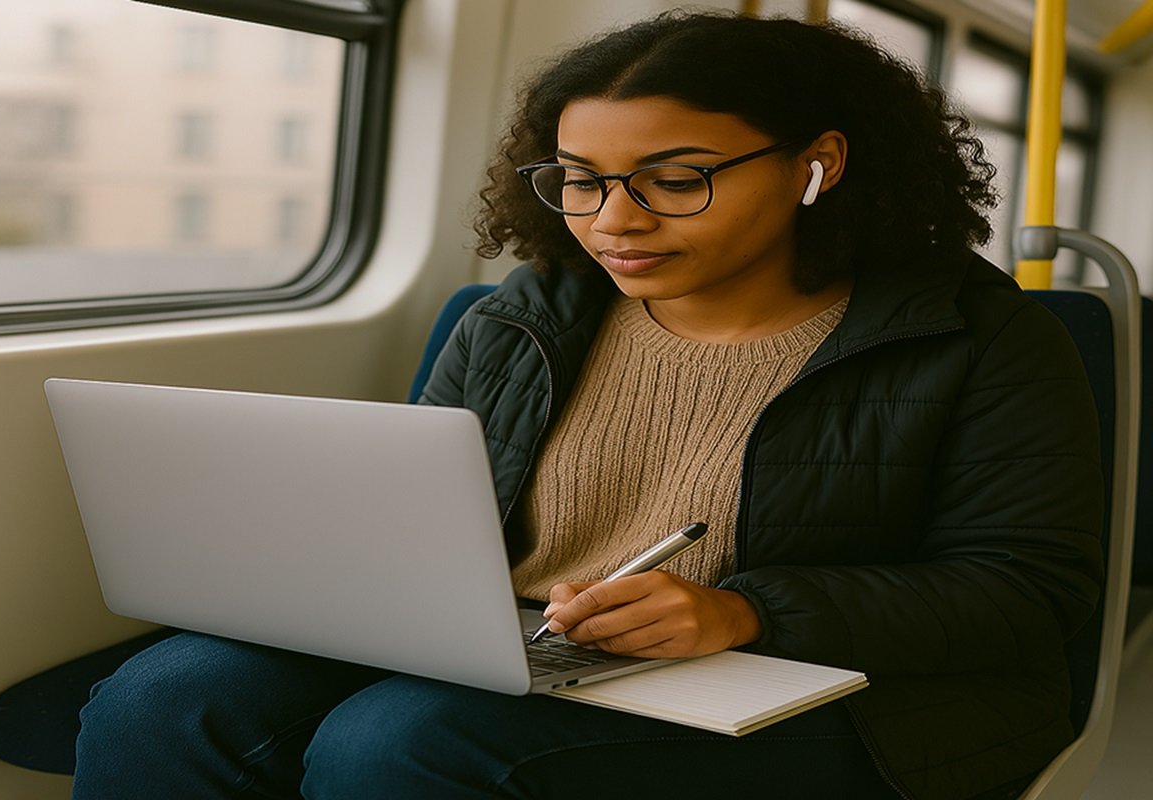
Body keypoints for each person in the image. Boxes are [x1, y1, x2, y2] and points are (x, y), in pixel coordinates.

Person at [72, 10, 1104, 800]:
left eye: (676, 179)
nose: (613, 220)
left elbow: (1027, 592)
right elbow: (416, 518)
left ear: (817, 165)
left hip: (839, 689)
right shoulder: (526, 314)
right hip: (524, 646)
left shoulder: (977, 338)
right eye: (579, 179)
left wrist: (746, 609)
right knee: (164, 695)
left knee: (398, 740)